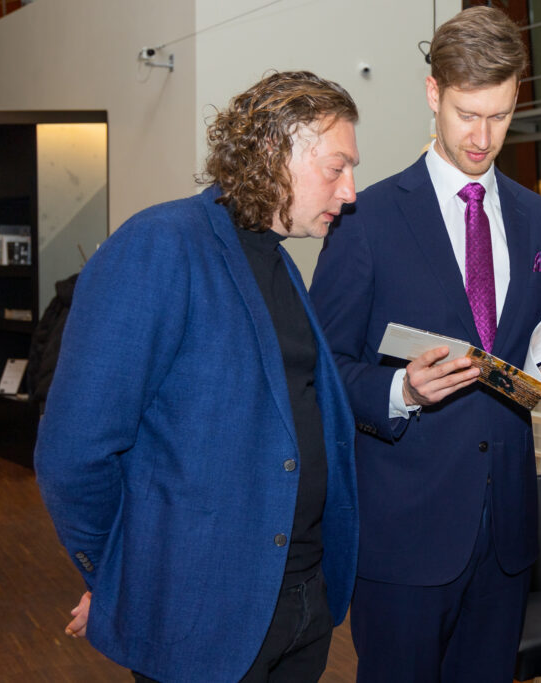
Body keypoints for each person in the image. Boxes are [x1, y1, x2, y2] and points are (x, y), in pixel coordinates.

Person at [34, 70, 360, 683]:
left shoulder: (281, 264)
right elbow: (74, 452)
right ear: (275, 153)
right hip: (200, 619)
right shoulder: (159, 244)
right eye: (336, 168)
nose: (350, 191)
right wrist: (120, 577)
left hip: (301, 604)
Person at [309, 7, 541, 682]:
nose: (483, 136)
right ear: (433, 92)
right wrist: (401, 390)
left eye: (500, 115)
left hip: (506, 540)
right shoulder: (365, 220)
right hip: (402, 539)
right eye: (468, 114)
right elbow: (321, 372)